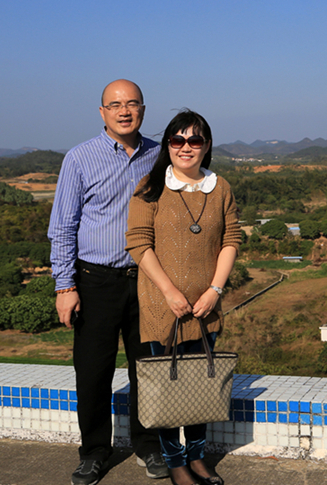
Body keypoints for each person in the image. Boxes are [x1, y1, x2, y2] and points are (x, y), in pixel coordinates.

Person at [48, 79, 169, 485]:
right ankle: (94, 452)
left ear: (143, 110)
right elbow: (62, 226)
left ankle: (148, 446)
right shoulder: (80, 158)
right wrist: (65, 287)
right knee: (93, 372)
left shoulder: (159, 156)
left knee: (147, 369)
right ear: (102, 112)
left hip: (147, 281)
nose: (124, 111)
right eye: (115, 104)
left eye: (132, 103)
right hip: (95, 281)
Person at [125, 109, 241, 485]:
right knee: (167, 389)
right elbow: (138, 244)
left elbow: (231, 240)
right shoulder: (150, 187)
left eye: (194, 140)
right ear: (168, 145)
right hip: (164, 308)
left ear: (206, 146)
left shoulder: (220, 188)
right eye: (178, 140)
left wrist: (215, 291)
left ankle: (197, 457)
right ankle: (176, 462)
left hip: (206, 308)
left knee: (200, 386)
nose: (186, 147)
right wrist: (170, 293)